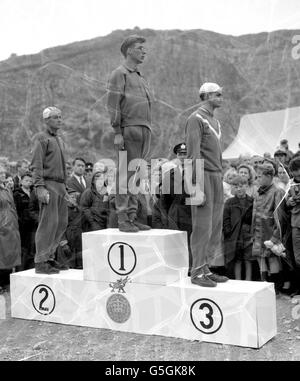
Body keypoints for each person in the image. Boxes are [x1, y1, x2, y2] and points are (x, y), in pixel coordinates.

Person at [106, 34, 152, 233]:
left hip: (143, 129)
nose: (144, 51)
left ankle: (132, 216)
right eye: (140, 48)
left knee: (137, 174)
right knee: (126, 173)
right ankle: (123, 218)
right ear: (130, 50)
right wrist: (117, 131)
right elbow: (113, 105)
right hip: (128, 129)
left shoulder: (138, 76)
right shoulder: (120, 73)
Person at [185, 82, 229, 287]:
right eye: (217, 94)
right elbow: (192, 154)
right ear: (205, 96)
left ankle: (206, 268)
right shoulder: (196, 119)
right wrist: (195, 186)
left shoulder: (216, 122)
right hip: (202, 174)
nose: (221, 97)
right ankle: (196, 272)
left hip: (216, 175)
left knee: (215, 226)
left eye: (221, 94)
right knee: (202, 226)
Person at [30, 106, 69, 274]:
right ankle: (41, 260)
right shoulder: (40, 138)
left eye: (60, 117)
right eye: (55, 117)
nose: (59, 120)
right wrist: (39, 187)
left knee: (60, 223)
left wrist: (65, 188)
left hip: (60, 185)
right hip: (49, 184)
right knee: (48, 223)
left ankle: (50, 258)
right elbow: (36, 164)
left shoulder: (59, 139)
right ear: (46, 120)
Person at [251, 164, 285, 293]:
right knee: (261, 258)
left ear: (269, 176)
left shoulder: (277, 191)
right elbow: (254, 214)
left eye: (260, 177)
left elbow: (280, 217)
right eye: (256, 177)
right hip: (258, 231)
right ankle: (264, 285)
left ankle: (276, 286)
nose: (257, 179)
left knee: (272, 258)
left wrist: (275, 237)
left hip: (270, 231)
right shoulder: (259, 192)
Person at [161, 143, 193, 275]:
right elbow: (165, 199)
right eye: (180, 154)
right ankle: (177, 272)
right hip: (175, 214)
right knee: (175, 247)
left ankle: (191, 271)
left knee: (191, 246)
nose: (182, 156)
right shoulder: (170, 174)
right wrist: (167, 217)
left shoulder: (197, 173)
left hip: (191, 214)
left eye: (185, 154)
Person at [223, 175, 254, 280]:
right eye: (236, 187)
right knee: (237, 260)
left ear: (247, 186)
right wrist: (229, 232)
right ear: (233, 188)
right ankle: (238, 282)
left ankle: (248, 282)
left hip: (248, 236)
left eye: (241, 186)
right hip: (235, 236)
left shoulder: (252, 201)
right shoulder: (229, 202)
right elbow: (226, 220)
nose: (239, 189)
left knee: (248, 260)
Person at [0, 165, 21, 292]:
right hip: (2, 226)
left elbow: (12, 207)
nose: (2, 175)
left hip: (12, 225)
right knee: (1, 255)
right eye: (0, 173)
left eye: (3, 173)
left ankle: (6, 282)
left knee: (9, 255)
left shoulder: (7, 190)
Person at [13, 172, 36, 270]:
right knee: (23, 250)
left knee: (32, 248)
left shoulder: (34, 192)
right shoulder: (17, 194)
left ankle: (30, 269)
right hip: (22, 226)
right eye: (26, 180)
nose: (28, 182)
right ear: (21, 181)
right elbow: (15, 210)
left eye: (30, 181)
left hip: (33, 225)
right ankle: (20, 270)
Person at [285, 157, 300, 295]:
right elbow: (285, 203)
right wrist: (290, 201)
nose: (297, 177)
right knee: (297, 258)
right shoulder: (290, 184)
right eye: (295, 175)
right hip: (296, 223)